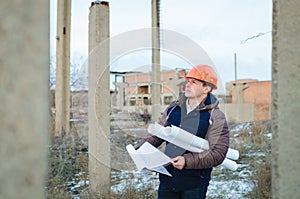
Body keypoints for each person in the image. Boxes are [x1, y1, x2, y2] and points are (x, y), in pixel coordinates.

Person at [135, 64, 229, 199]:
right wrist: (140, 148)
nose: (188, 85)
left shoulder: (215, 116)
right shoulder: (174, 108)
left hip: (194, 183)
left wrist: (187, 161)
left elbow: (218, 153)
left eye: (194, 82)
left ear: (206, 88)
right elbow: (158, 133)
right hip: (167, 178)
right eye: (188, 81)